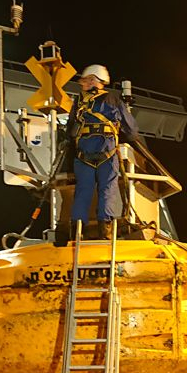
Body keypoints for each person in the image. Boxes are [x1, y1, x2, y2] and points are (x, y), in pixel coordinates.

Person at [65, 64, 140, 241]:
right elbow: (131, 129)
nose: (82, 84)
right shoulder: (114, 99)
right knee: (108, 189)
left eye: (85, 80)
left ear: (94, 80)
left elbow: (70, 130)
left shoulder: (79, 102)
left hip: (83, 155)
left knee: (83, 190)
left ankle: (78, 231)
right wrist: (133, 139)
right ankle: (105, 232)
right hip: (108, 153)